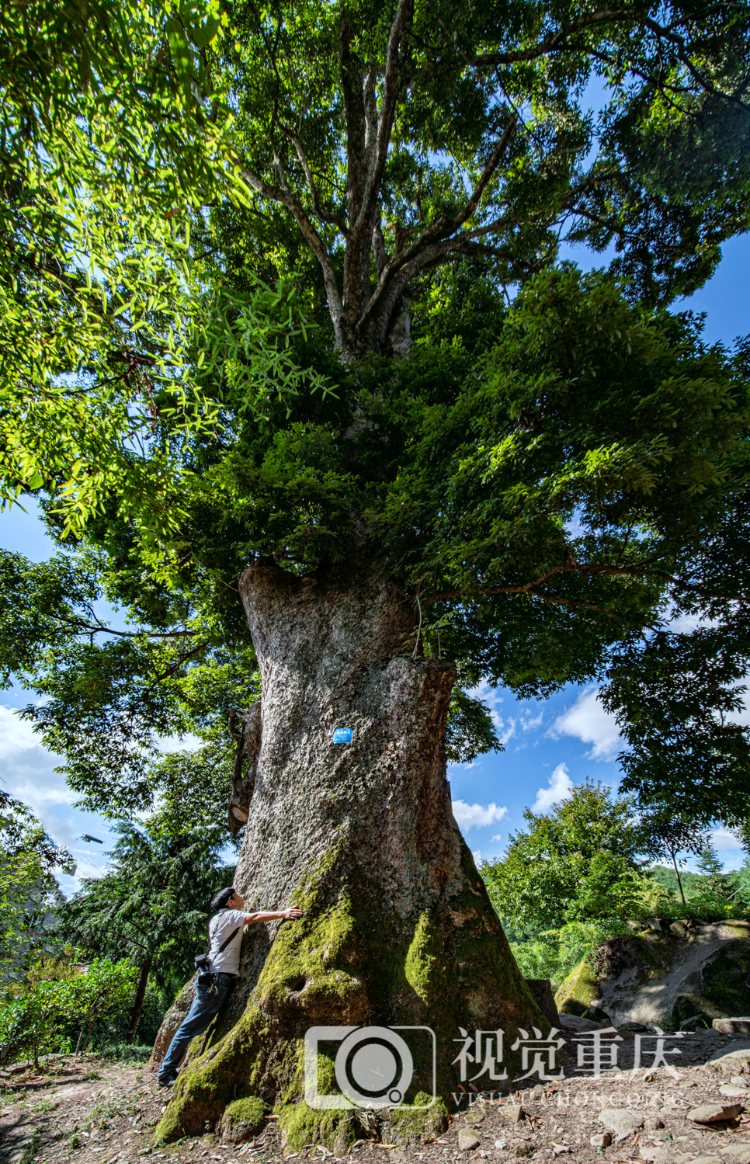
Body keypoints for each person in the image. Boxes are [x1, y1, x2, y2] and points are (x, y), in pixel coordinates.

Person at [157, 886, 303, 1087]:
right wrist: (283, 913)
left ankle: (167, 1069)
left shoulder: (216, 919)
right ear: (230, 902)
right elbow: (254, 917)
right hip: (218, 979)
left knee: (190, 1025)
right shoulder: (230, 915)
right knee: (190, 1027)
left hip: (211, 977)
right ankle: (165, 1073)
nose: (242, 896)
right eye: (237, 895)